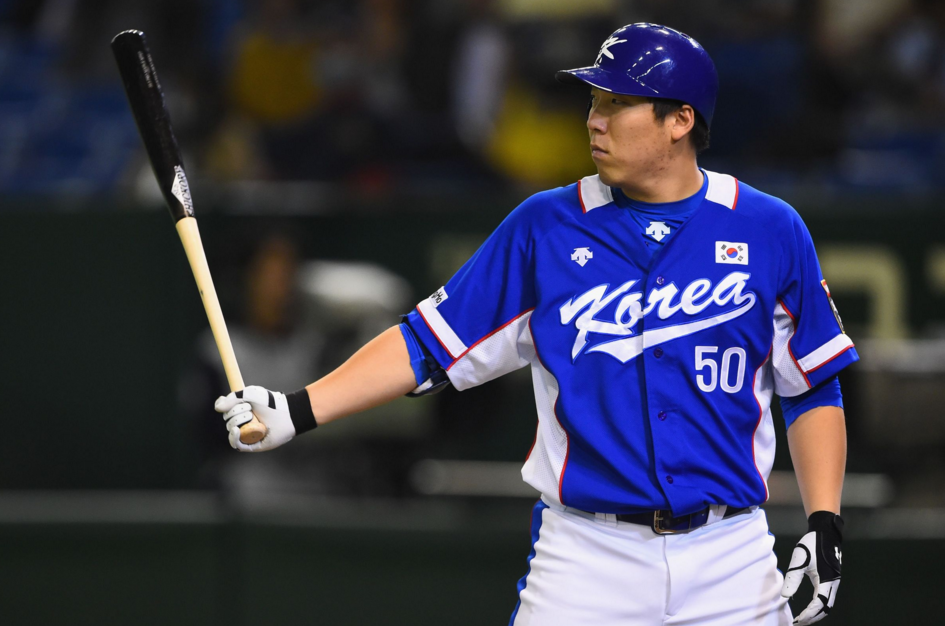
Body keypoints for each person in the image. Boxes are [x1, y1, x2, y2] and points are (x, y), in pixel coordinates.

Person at [214, 23, 855, 626]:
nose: (592, 120)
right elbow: (426, 345)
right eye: (592, 102)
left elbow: (813, 387)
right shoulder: (544, 226)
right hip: (587, 555)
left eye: (615, 104)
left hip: (732, 556)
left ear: (680, 121)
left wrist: (824, 522)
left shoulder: (770, 229)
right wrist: (295, 410)